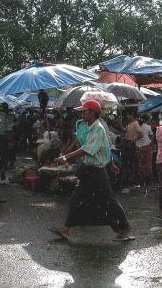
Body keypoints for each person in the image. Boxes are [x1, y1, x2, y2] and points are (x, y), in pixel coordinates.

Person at [48, 100, 134, 242]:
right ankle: (66, 230)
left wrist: (66, 157)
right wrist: (111, 164)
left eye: (84, 111)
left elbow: (87, 149)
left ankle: (126, 229)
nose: (81, 113)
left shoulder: (98, 128)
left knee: (109, 202)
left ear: (93, 113)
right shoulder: (89, 127)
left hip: (97, 173)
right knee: (76, 199)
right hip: (88, 170)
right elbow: (105, 146)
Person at [136, 114, 153, 187]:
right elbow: (151, 135)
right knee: (148, 163)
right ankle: (148, 179)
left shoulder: (136, 127)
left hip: (138, 147)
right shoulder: (148, 127)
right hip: (147, 146)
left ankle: (142, 179)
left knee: (140, 163)